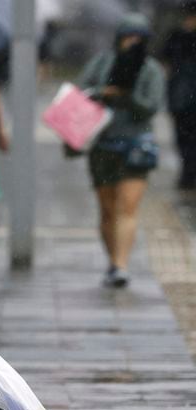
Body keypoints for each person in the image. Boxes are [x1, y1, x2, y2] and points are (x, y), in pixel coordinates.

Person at [76, 13, 165, 288]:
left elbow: (152, 106)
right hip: (103, 145)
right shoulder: (102, 63)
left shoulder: (151, 69)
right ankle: (112, 259)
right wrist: (105, 92)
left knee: (127, 207)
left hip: (136, 145)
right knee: (107, 209)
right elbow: (80, 92)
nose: (131, 43)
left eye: (137, 38)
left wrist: (128, 95)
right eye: (128, 37)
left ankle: (120, 265)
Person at [162, 0, 196, 191]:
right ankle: (188, 174)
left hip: (181, 96)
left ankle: (189, 174)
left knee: (186, 138)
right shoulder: (177, 36)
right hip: (181, 97)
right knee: (184, 138)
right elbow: (166, 62)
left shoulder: (176, 37)